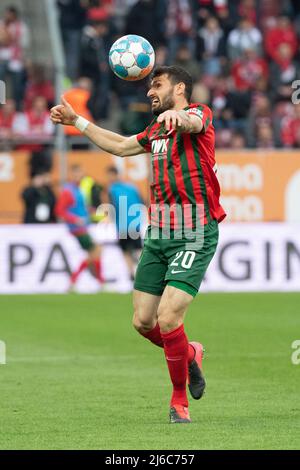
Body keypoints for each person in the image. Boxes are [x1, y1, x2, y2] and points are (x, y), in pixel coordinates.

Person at [50, 65, 226, 424]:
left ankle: (179, 403)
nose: (150, 92)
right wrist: (77, 122)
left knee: (168, 315)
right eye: (149, 86)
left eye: (157, 85)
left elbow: (193, 122)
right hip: (159, 233)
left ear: (179, 89)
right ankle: (190, 354)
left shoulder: (198, 115)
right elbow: (118, 144)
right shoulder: (155, 130)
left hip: (194, 230)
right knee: (144, 322)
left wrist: (180, 114)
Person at [55, 164, 104, 290]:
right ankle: (98, 282)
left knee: (94, 253)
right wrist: (75, 219)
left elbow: (78, 207)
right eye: (76, 173)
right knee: (96, 251)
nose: (79, 176)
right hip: (76, 228)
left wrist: (90, 211)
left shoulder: (78, 189)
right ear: (72, 174)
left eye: (81, 173)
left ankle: (75, 281)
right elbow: (59, 210)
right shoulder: (68, 190)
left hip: (83, 227)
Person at [106, 165, 144, 280]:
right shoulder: (132, 187)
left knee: (130, 250)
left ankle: (135, 272)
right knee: (133, 249)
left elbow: (110, 206)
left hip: (126, 224)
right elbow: (141, 202)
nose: (109, 178)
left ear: (116, 175)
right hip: (131, 223)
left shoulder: (112, 189)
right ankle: (133, 274)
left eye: (110, 175)